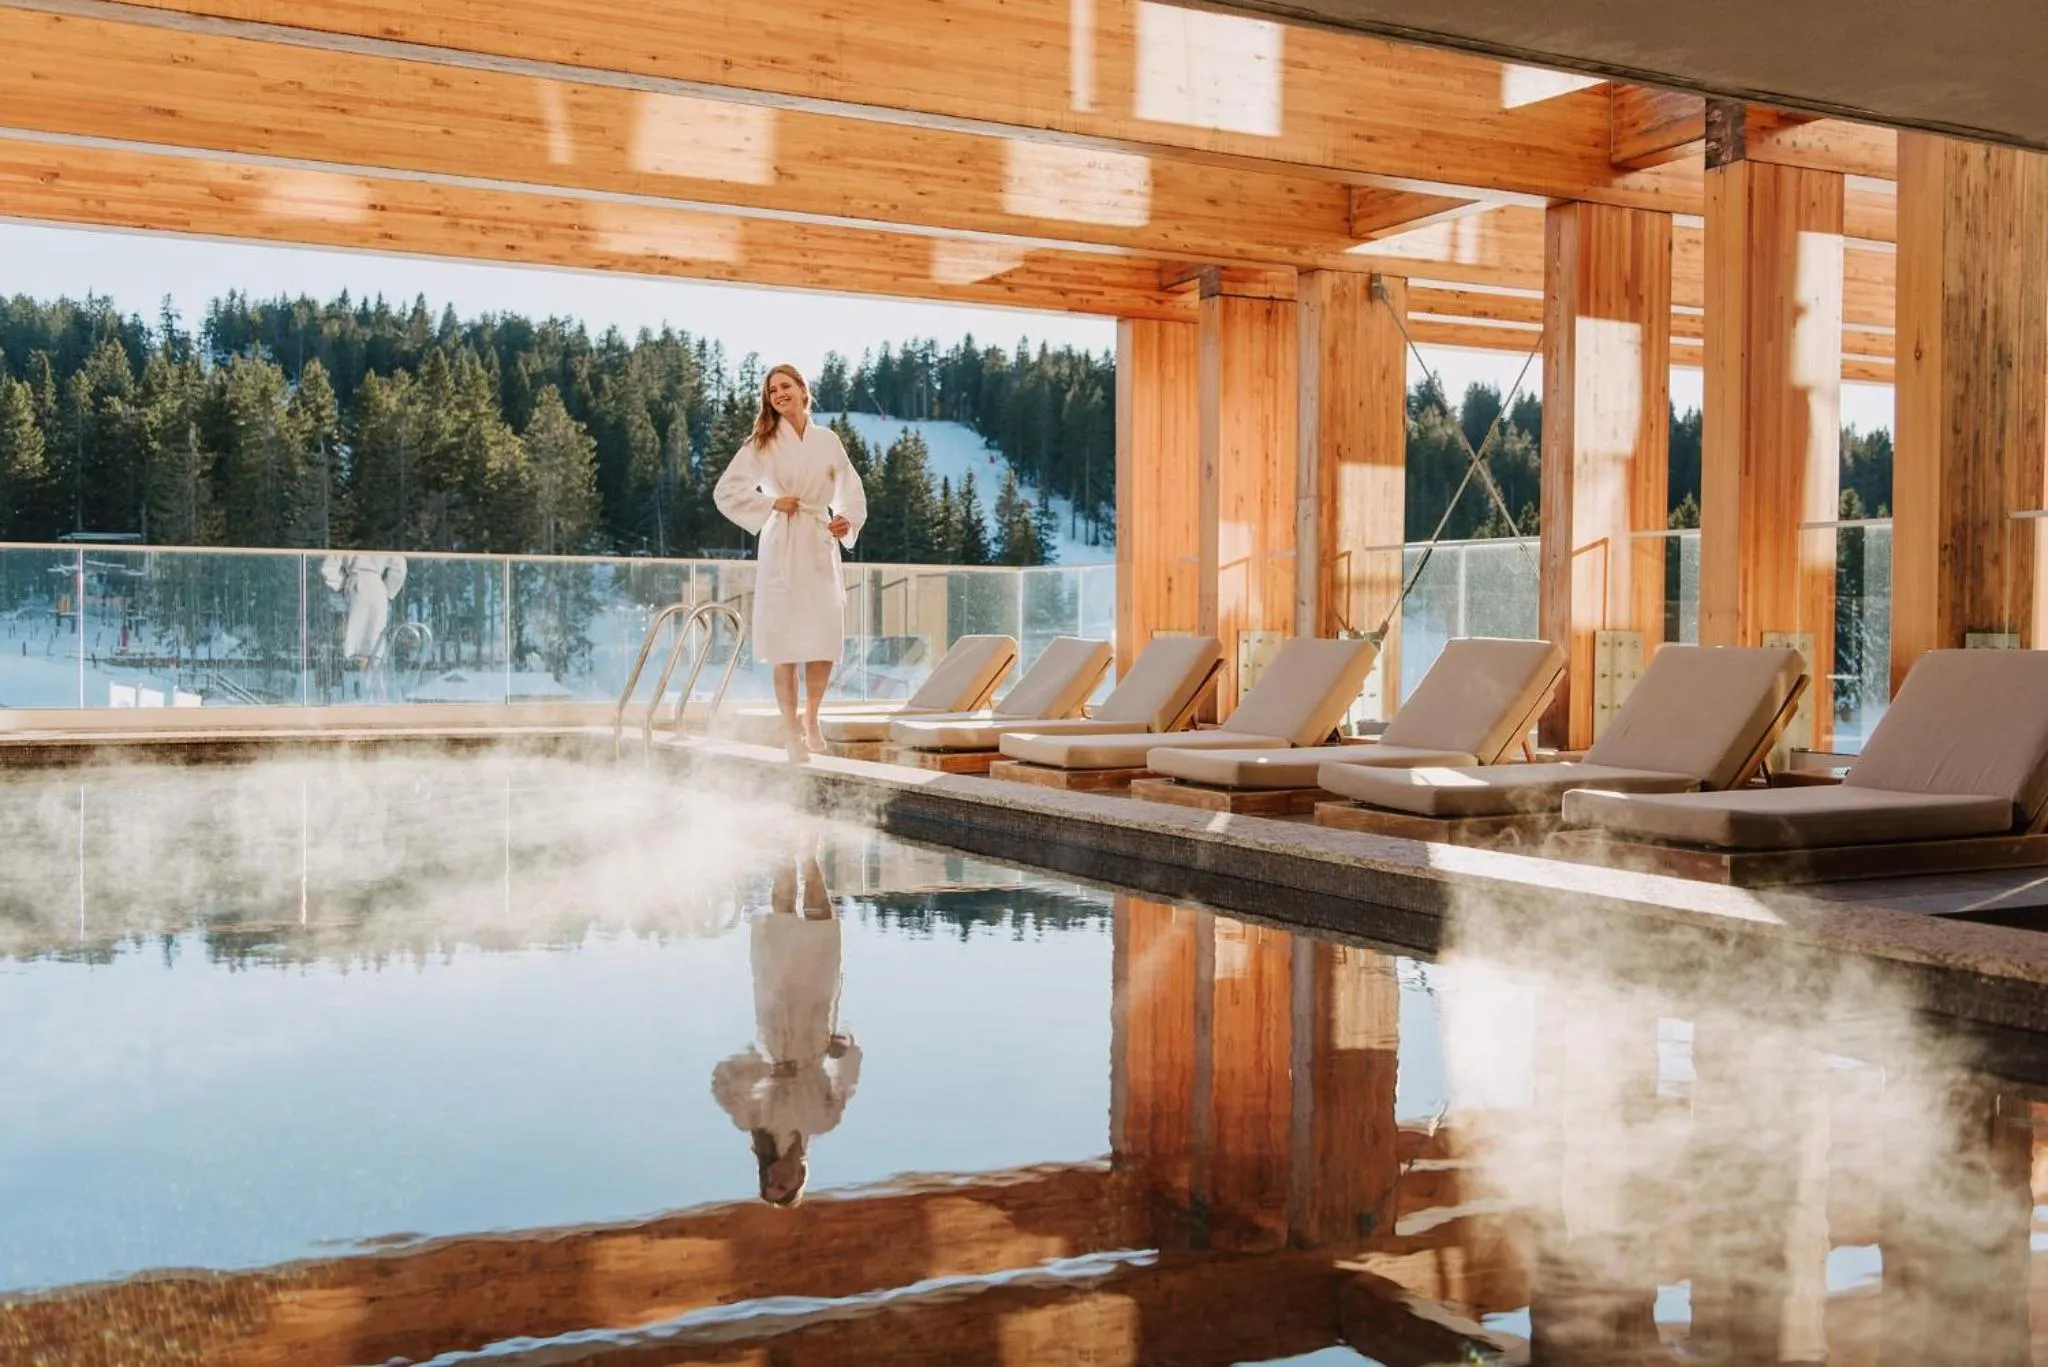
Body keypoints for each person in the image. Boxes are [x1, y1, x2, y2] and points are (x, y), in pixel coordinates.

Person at [713, 365, 867, 763]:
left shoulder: (827, 441)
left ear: (802, 390)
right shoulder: (762, 442)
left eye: (785, 386)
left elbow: (851, 490)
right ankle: (790, 732)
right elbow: (726, 491)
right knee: (784, 644)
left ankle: (812, 719)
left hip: (817, 542)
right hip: (782, 543)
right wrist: (769, 503)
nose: (779, 394)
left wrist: (843, 520)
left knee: (822, 639)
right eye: (771, 390)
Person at [710, 835, 861, 1207]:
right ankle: (807, 853)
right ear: (799, 1178)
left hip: (776, 1027)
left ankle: (784, 844)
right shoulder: (824, 1119)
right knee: (821, 933)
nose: (775, 1178)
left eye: (769, 1182)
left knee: (781, 932)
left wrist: (766, 1071)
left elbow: (721, 1078)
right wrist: (842, 1047)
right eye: (782, 1186)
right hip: (816, 1026)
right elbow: (850, 1068)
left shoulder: (755, 1122)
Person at [319, 553, 408, 671]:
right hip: (377, 589)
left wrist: (341, 584)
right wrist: (388, 590)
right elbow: (400, 567)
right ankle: (374, 675)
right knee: (376, 637)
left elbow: (327, 567)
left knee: (356, 634)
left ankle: (360, 670)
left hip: (356, 587)